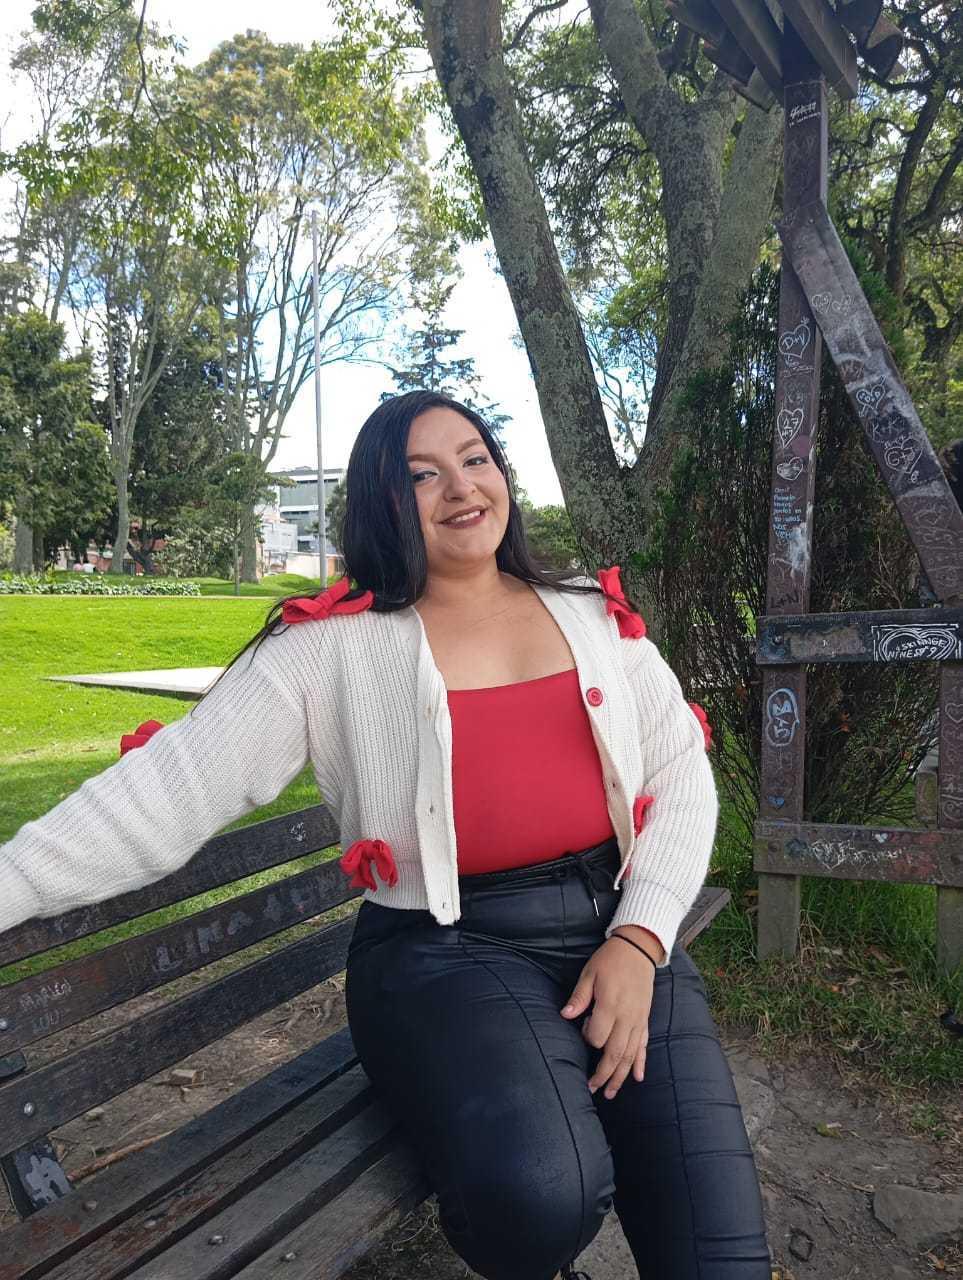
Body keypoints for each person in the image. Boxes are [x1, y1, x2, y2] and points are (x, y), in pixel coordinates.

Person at [0, 391, 770, 1280]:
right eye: (422, 476)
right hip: (445, 953)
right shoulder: (328, 648)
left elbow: (679, 774)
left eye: (474, 459)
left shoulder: (592, 617)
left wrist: (639, 939)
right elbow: (163, 793)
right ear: (382, 501)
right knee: (541, 1196)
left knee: (717, 1242)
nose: (461, 488)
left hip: (617, 928)